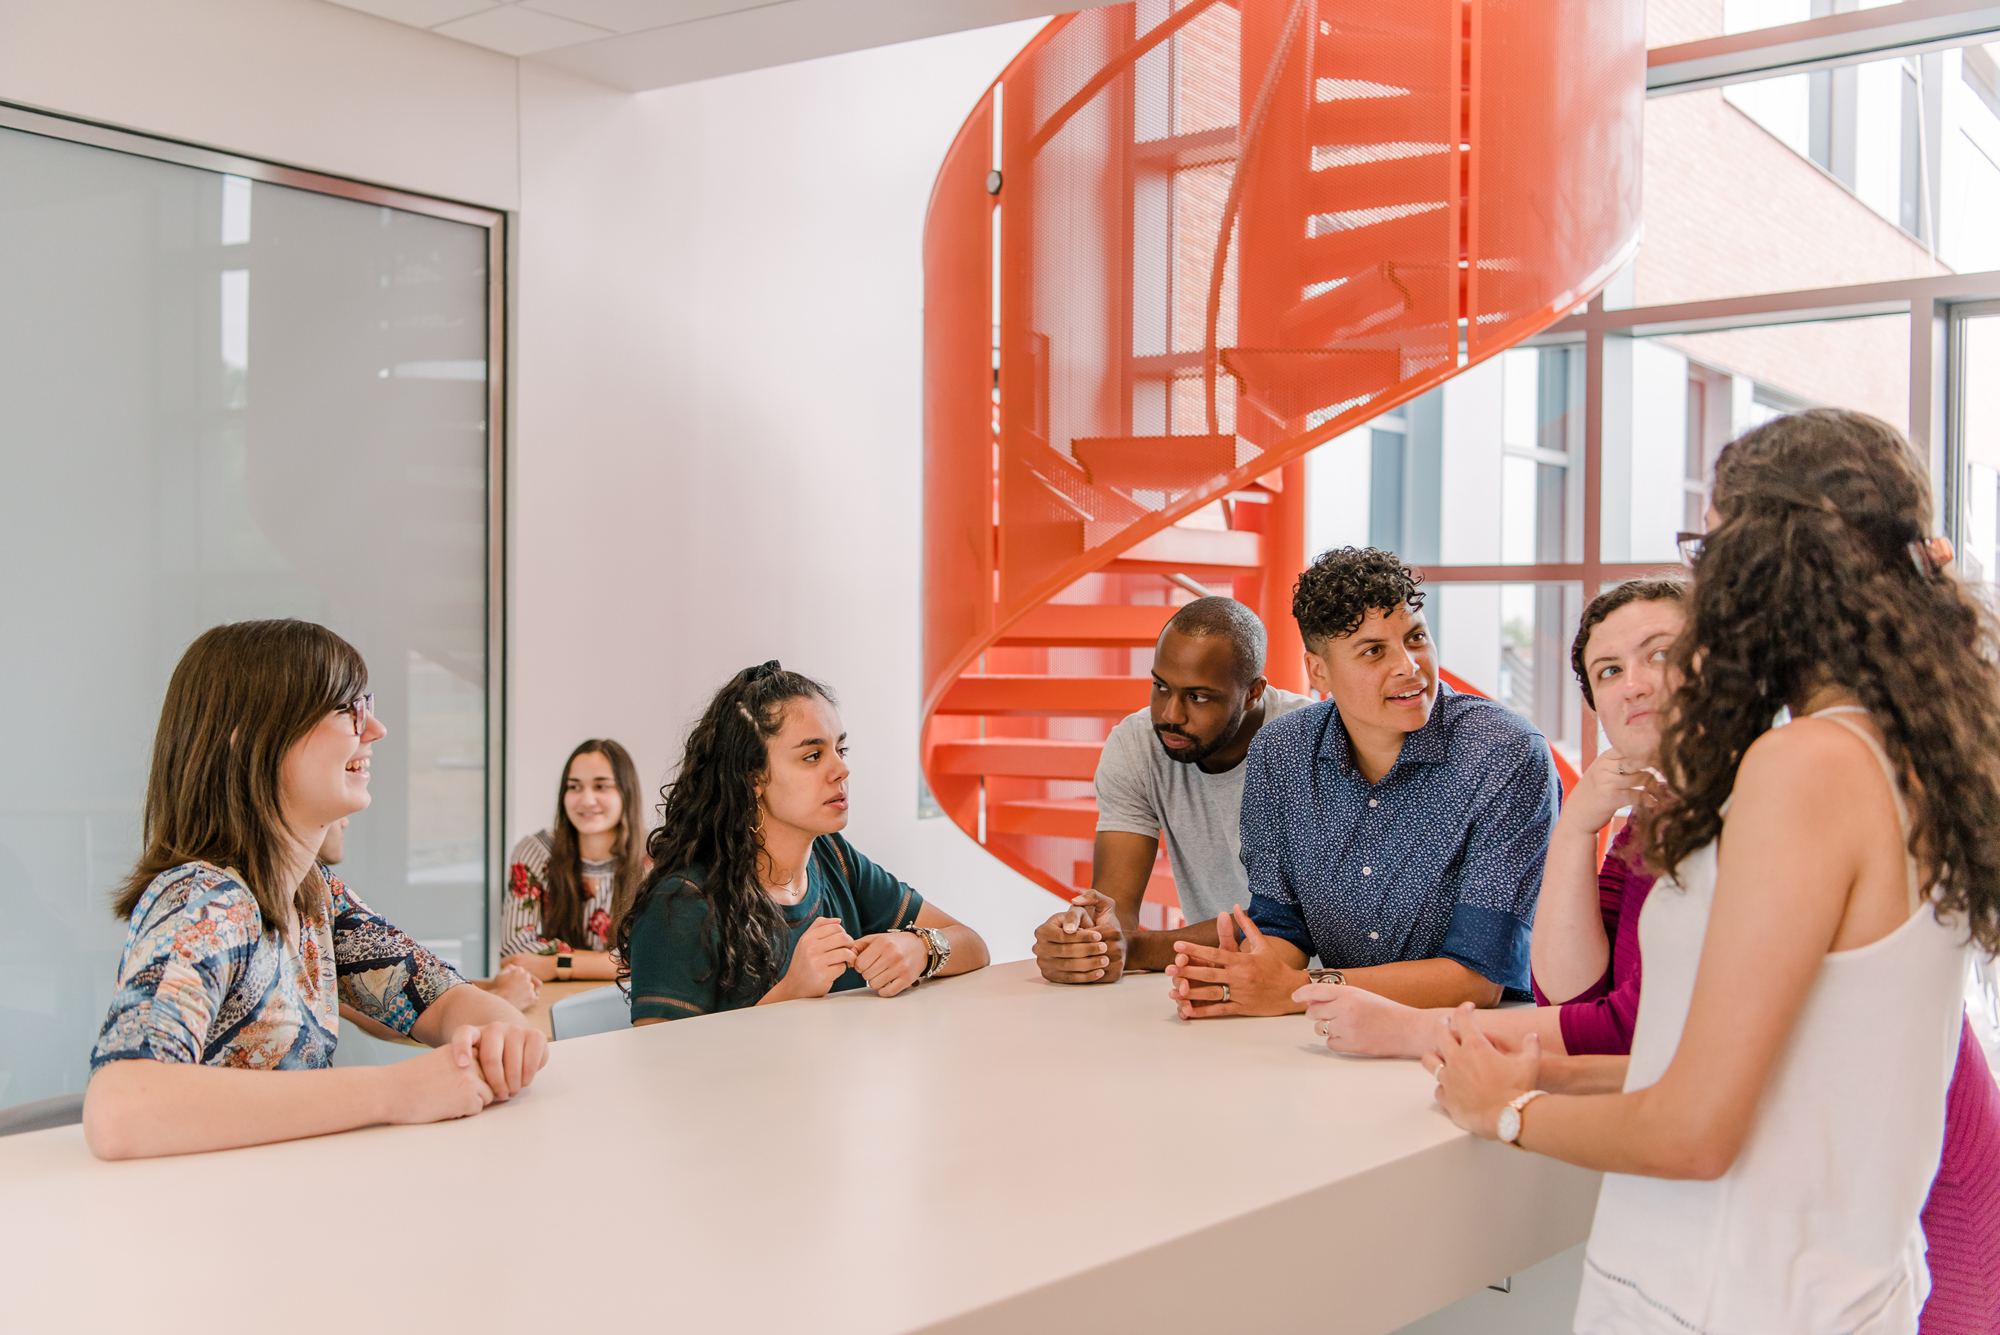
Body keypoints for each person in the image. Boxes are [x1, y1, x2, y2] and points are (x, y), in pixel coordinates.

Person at [1428, 410, 1998, 1333]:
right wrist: (1555, 1070)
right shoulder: (1899, 755)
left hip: (1728, 1298)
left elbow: (1696, 1129)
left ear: (1771, 559)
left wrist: (1510, 1110)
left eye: (1714, 545)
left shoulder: (1804, 766)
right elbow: (1784, 1075)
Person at [82, 619, 547, 1160]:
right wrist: (395, 1092)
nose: (375, 729)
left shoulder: (314, 896)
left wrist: (501, 1038)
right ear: (250, 734)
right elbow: (119, 1108)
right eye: (348, 708)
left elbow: (442, 1001)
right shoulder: (204, 901)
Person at [1165, 546, 1560, 1019]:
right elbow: (1283, 929)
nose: (1409, 666)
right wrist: (1241, 979)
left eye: (1415, 638)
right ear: (1319, 672)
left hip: (1476, 1036)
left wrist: (1297, 987)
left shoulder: (1505, 752)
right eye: (1374, 650)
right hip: (1338, 1035)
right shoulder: (1280, 752)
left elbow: (1479, 975)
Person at [1299, 578, 1684, 1057]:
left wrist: (1416, 1031)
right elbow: (1572, 995)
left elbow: (1632, 1031)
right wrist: (1577, 827)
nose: (1633, 686)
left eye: (1662, 655)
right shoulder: (1651, 818)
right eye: (1608, 671)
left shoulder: (1748, 807)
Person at [615, 662, 989, 1021]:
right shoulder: (682, 902)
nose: (841, 769)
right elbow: (660, 1065)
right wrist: (791, 991)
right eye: (812, 756)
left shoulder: (834, 857)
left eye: (840, 749)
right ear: (753, 779)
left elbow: (973, 944)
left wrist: (922, 948)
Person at [1030, 597, 1311, 984]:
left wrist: (1134, 948)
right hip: (1220, 984)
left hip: (1323, 985)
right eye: (1161, 687)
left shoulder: (1309, 742)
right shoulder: (1136, 745)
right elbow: (1115, 911)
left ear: (1252, 693)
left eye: (1197, 697)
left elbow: (1288, 920)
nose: (1170, 715)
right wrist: (1089, 941)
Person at [318, 817, 541, 1044]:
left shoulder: (323, 891)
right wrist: (503, 997)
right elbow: (390, 1019)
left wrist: (489, 988)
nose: (345, 821)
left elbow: (413, 988)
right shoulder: (317, 898)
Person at [500, 739, 647, 984]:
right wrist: (608, 963)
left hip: (631, 1003)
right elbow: (514, 952)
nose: (586, 800)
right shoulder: (535, 852)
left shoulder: (658, 857)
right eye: (574, 787)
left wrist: (559, 965)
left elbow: (655, 957)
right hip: (553, 1003)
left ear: (626, 792)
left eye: (601, 786)